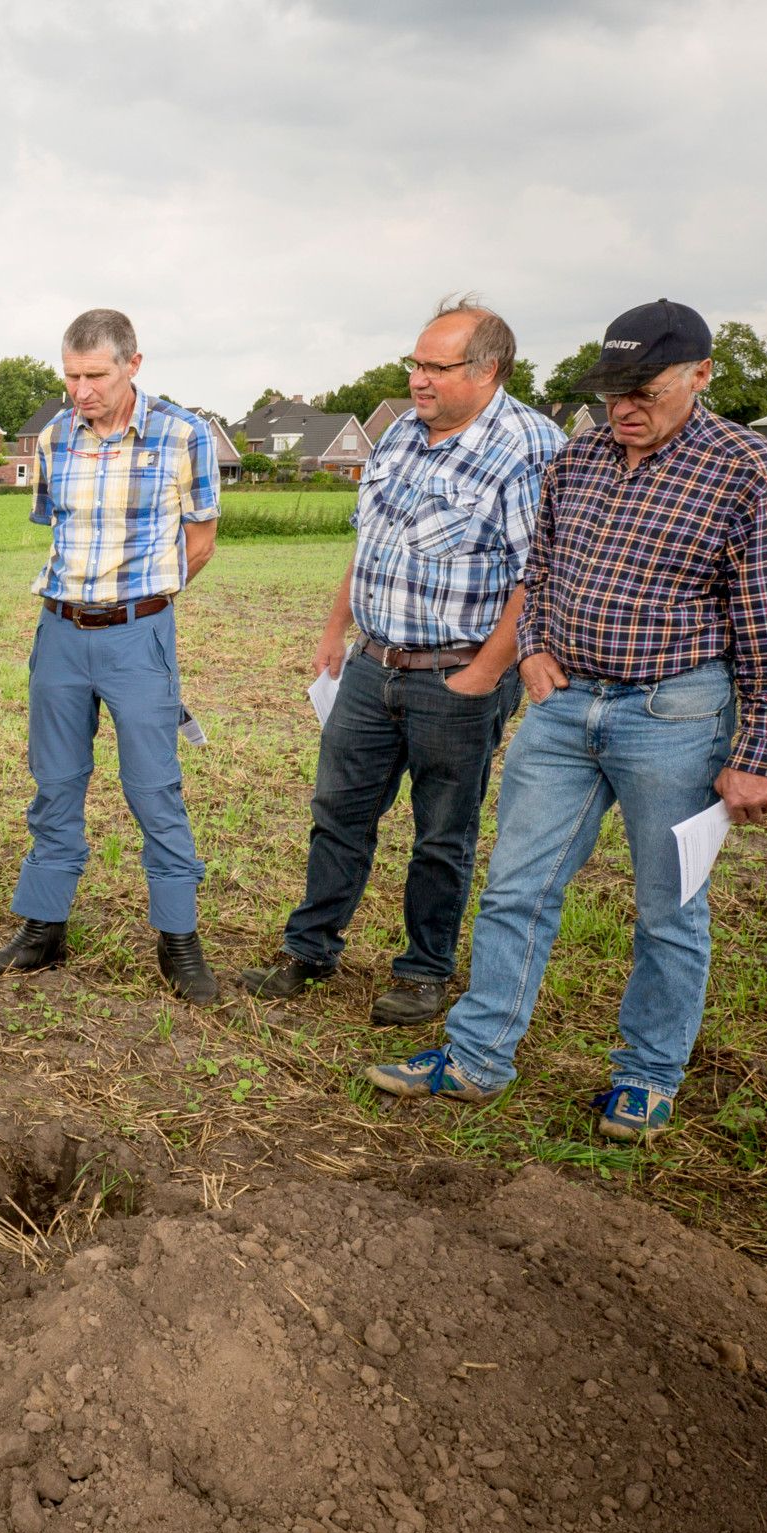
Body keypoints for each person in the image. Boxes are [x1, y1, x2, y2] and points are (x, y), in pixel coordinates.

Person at [367, 299, 767, 1144]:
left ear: (700, 375)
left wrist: (761, 751)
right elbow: (540, 563)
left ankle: (646, 1077)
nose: (624, 409)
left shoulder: (749, 469)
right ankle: (476, 1056)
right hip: (566, 706)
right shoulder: (578, 460)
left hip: (673, 712)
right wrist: (532, 646)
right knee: (516, 885)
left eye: (643, 389)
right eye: (612, 391)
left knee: (667, 907)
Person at [245, 297, 563, 1024]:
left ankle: (423, 970)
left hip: (456, 674)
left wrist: (484, 672)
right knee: (338, 812)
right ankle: (310, 948)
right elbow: (370, 542)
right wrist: (337, 631)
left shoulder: (529, 446)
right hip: (370, 664)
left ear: (488, 371)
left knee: (442, 832)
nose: (418, 379)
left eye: (435, 367)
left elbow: (535, 573)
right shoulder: (396, 437)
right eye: (414, 363)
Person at [0, 308, 223, 1003]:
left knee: (154, 789)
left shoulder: (184, 436)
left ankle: (179, 939)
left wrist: (142, 605)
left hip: (136, 635)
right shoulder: (55, 437)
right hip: (58, 632)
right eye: (71, 376)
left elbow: (199, 543)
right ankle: (43, 929)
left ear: (132, 364)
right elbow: (58, 530)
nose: (81, 390)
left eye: (95, 375)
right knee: (55, 782)